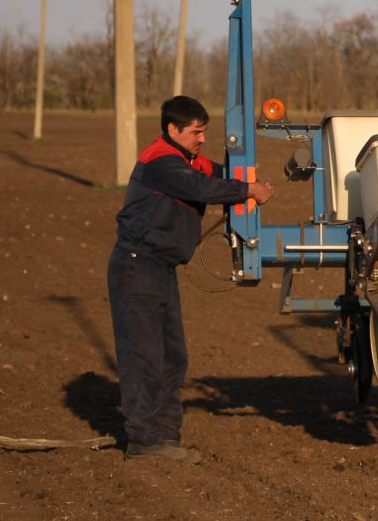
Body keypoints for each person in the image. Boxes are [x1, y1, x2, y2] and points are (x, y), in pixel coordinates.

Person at [108, 95, 274, 462]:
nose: (202, 139)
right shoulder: (161, 162)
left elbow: (212, 173)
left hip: (160, 269)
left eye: (204, 132)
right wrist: (248, 190)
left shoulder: (186, 159)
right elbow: (202, 189)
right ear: (173, 130)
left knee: (172, 357)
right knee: (144, 357)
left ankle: (166, 436)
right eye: (196, 132)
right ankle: (144, 440)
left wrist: (244, 173)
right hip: (137, 268)